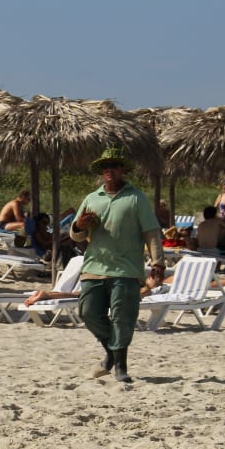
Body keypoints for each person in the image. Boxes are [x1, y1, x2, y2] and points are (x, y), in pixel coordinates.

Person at [68, 146, 164, 383]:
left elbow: (151, 232)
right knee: (88, 312)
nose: (109, 170)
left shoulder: (136, 198)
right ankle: (111, 352)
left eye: (113, 165)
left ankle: (121, 366)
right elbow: (76, 235)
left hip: (126, 268)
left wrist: (158, 262)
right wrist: (79, 225)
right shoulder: (92, 198)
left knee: (123, 317)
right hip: (94, 267)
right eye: (105, 166)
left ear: (123, 169)